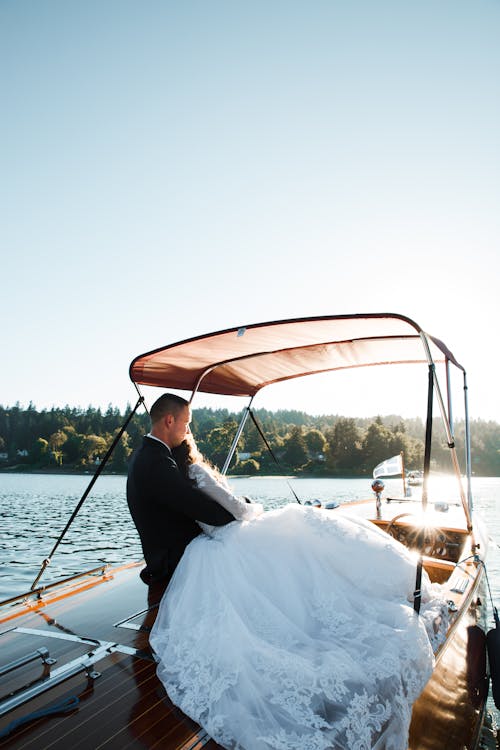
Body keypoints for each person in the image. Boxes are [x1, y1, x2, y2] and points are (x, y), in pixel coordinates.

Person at [150, 435, 449, 750]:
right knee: (306, 525)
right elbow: (236, 510)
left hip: (212, 545)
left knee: (301, 544)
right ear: (190, 448)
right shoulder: (198, 473)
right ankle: (397, 580)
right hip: (236, 534)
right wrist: (257, 508)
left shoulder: (177, 480)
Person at [126, 393, 236, 587]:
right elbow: (204, 510)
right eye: (186, 423)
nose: (187, 431)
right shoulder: (157, 463)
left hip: (167, 553)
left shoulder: (147, 454)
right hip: (174, 561)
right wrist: (239, 511)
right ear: (169, 420)